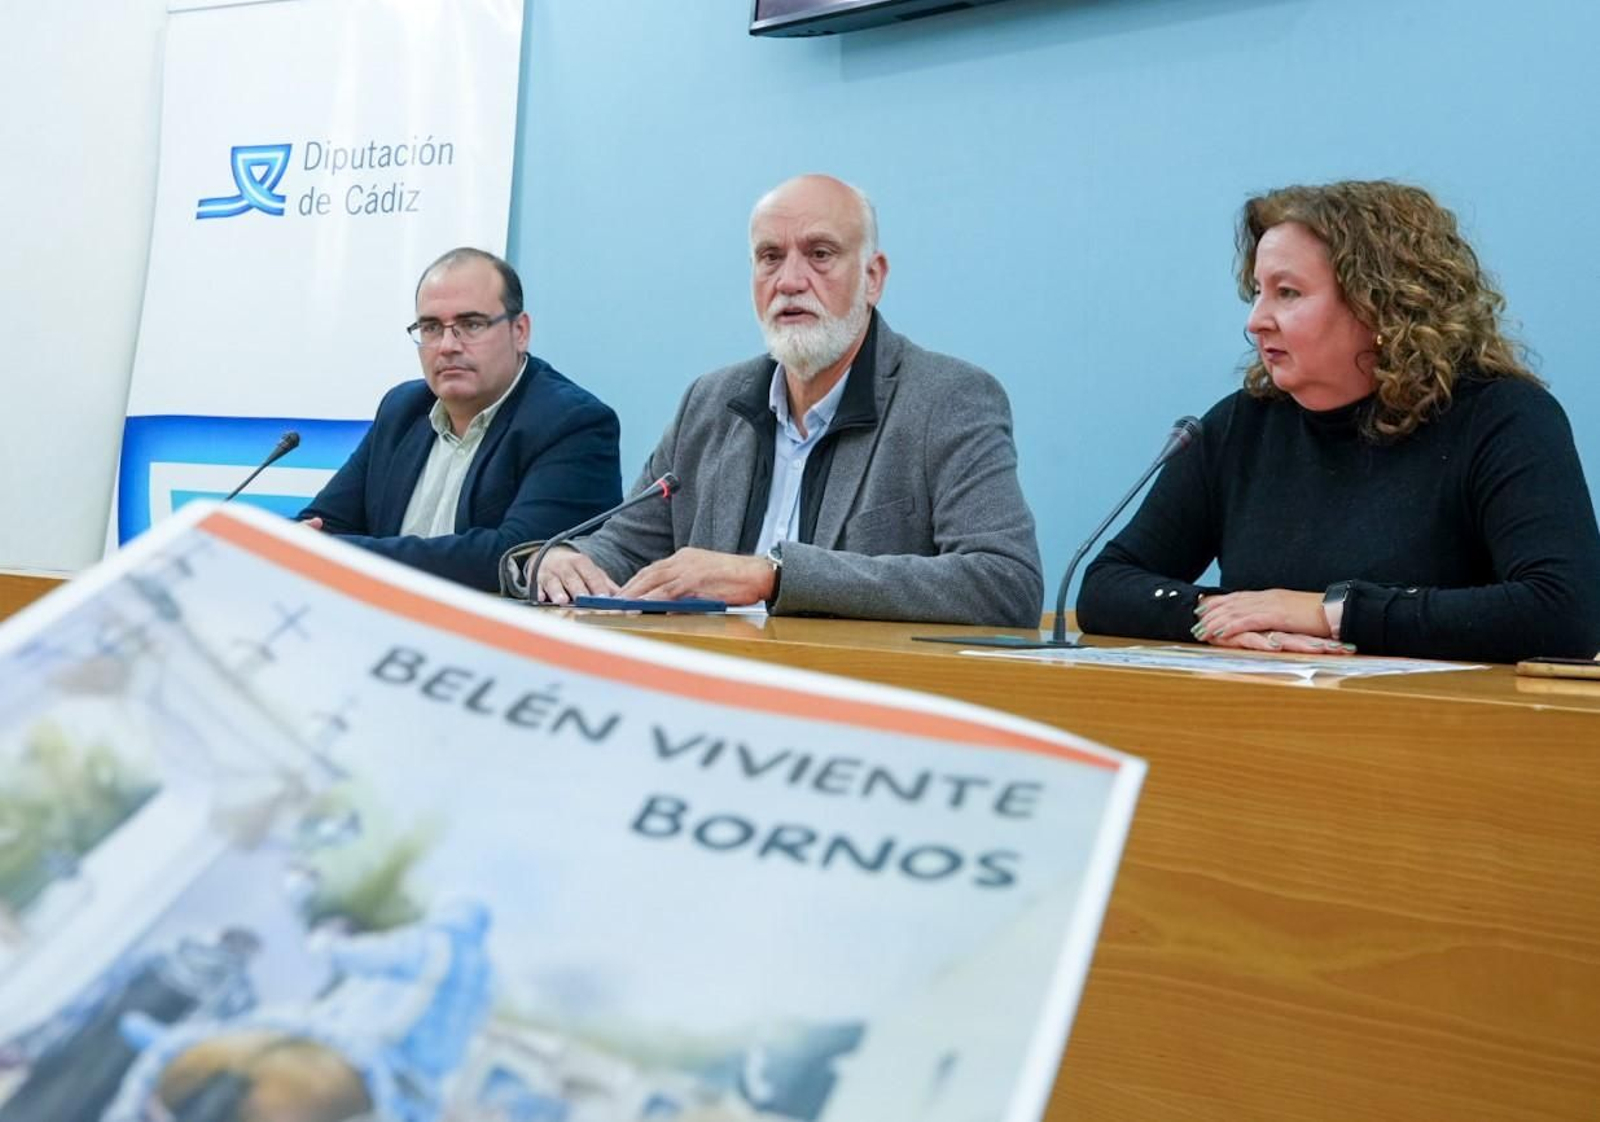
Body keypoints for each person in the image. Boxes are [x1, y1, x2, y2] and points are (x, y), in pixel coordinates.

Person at [1076, 180, 1600, 663]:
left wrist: (1333, 611)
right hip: (1261, 726)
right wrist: (1225, 619)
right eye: (1257, 291)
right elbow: (1105, 585)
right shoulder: (1242, 427)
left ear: (1382, 305)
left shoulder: (1500, 417)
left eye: (1287, 292)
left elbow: (1564, 612)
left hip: (1442, 737)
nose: (1255, 320)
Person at [506, 174, 1043, 627]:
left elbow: (1005, 583)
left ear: (873, 277)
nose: (789, 281)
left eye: (820, 254)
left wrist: (775, 575)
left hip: (856, 710)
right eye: (769, 258)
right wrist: (567, 559)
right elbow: (625, 547)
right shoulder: (710, 402)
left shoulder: (946, 398)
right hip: (708, 693)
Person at [299, 248, 622, 592]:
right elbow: (322, 524)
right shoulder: (402, 409)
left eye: (471, 325)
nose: (447, 345)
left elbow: (516, 556)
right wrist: (298, 543)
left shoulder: (572, 422)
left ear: (520, 331)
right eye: (431, 327)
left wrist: (337, 553)